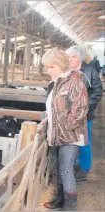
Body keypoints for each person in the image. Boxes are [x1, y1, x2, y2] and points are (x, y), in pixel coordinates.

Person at [42, 48, 89, 211]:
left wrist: (67, 127)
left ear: (61, 64)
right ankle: (60, 199)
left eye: (51, 67)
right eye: (47, 67)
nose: (48, 71)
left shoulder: (75, 80)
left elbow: (81, 107)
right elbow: (54, 108)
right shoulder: (55, 83)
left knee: (66, 168)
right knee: (58, 168)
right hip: (55, 134)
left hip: (70, 135)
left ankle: (70, 207)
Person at [65, 45, 103, 181]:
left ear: (80, 57)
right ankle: (74, 164)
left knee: (84, 142)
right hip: (68, 115)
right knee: (71, 141)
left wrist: (87, 107)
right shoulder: (66, 72)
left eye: (73, 57)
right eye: (69, 57)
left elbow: (97, 91)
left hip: (85, 115)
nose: (70, 60)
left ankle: (84, 168)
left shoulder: (89, 71)